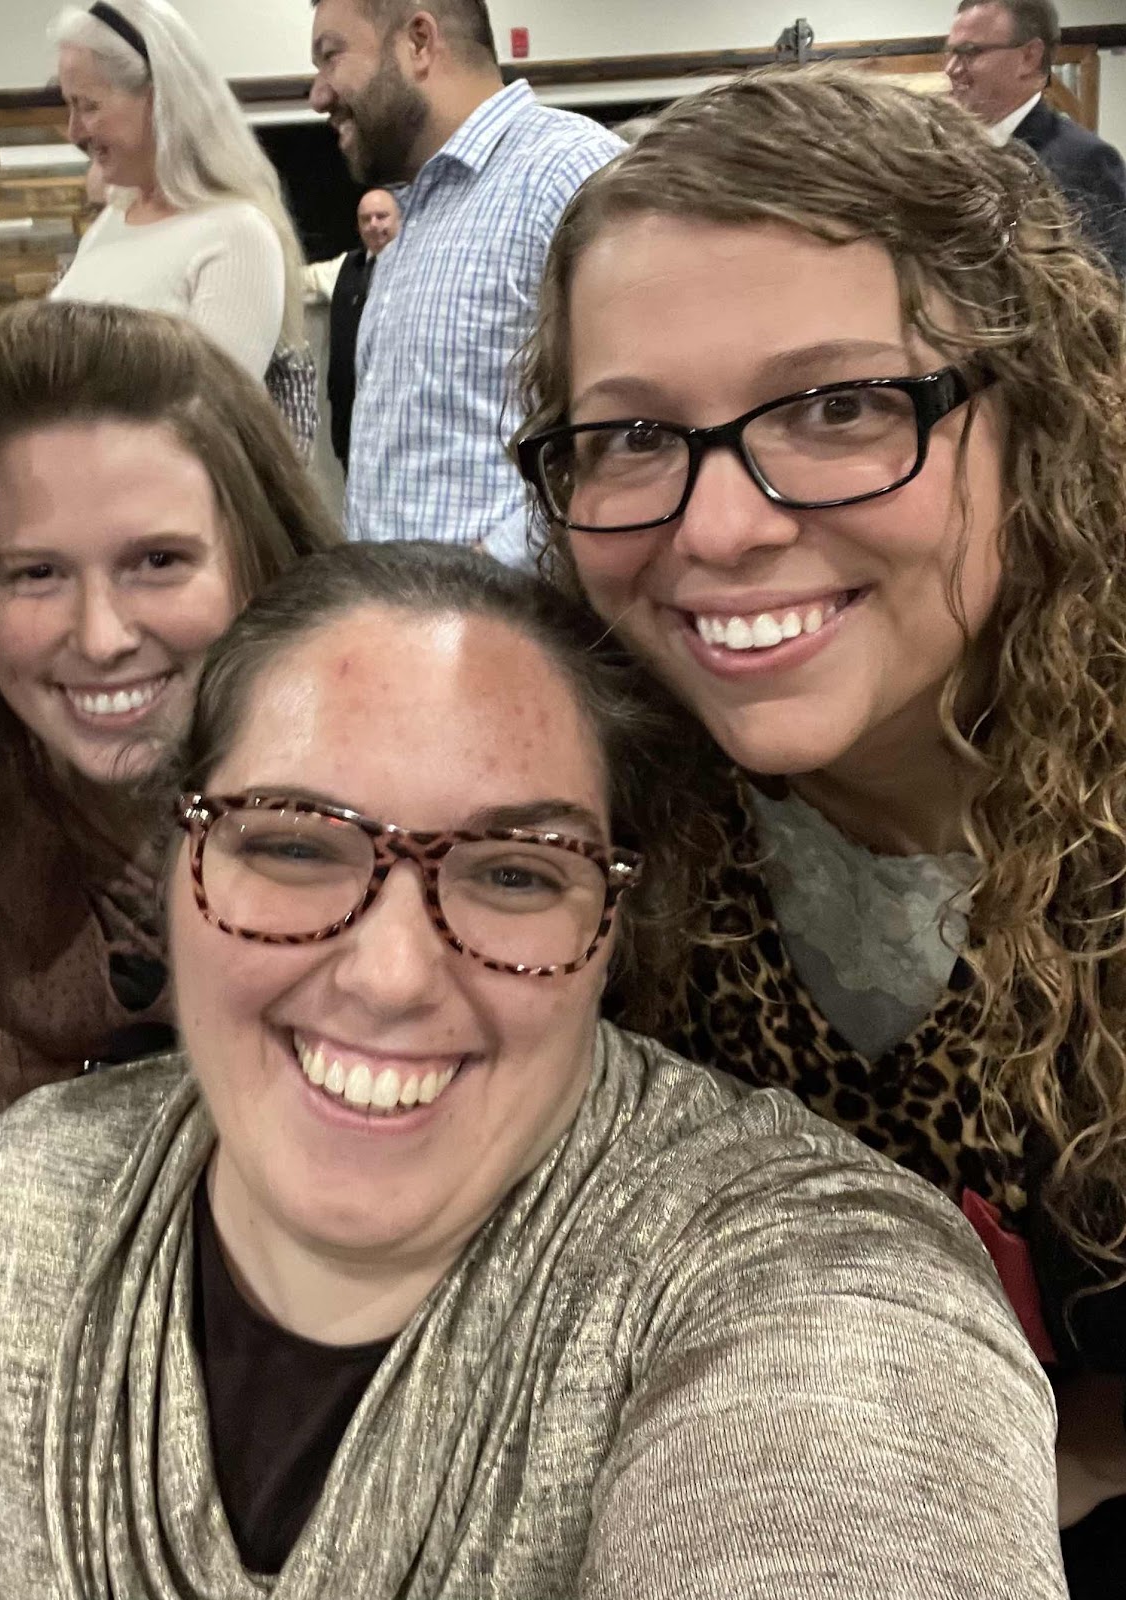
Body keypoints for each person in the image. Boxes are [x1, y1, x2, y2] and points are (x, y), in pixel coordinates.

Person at [0, 540, 1066, 1597]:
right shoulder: (21, 1208)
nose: (391, 974)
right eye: (293, 843)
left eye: (513, 872)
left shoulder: (800, 1273)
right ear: (177, 863)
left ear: (609, 927)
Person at [514, 66, 1126, 1595]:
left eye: (841, 406)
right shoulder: (585, 822)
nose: (720, 527)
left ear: (1033, 418)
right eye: (631, 434)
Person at [0, 299, 333, 1164]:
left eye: (158, 561)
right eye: (35, 573)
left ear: (258, 549)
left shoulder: (391, 791)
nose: (101, 638)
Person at [309, 0, 621, 564]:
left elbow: (636, 432)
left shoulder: (569, 171)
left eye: (331, 56)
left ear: (419, 42)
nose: (318, 95)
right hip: (398, 606)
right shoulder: (415, 213)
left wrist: (486, 570)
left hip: (505, 614)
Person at [49, 0, 319, 455]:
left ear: (159, 100)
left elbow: (203, 431)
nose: (74, 131)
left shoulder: (237, 234)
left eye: (88, 105)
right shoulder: (113, 221)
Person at [946, 0, 1126, 275]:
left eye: (969, 52)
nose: (951, 68)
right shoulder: (949, 152)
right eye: (949, 52)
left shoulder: (1083, 160)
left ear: (1029, 57)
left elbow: (1109, 283)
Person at [302, 188, 402, 470]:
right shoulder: (347, 266)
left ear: (400, 219)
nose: (373, 225)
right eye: (365, 219)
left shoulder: (419, 270)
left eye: (381, 216)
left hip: (397, 416)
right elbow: (304, 281)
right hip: (350, 417)